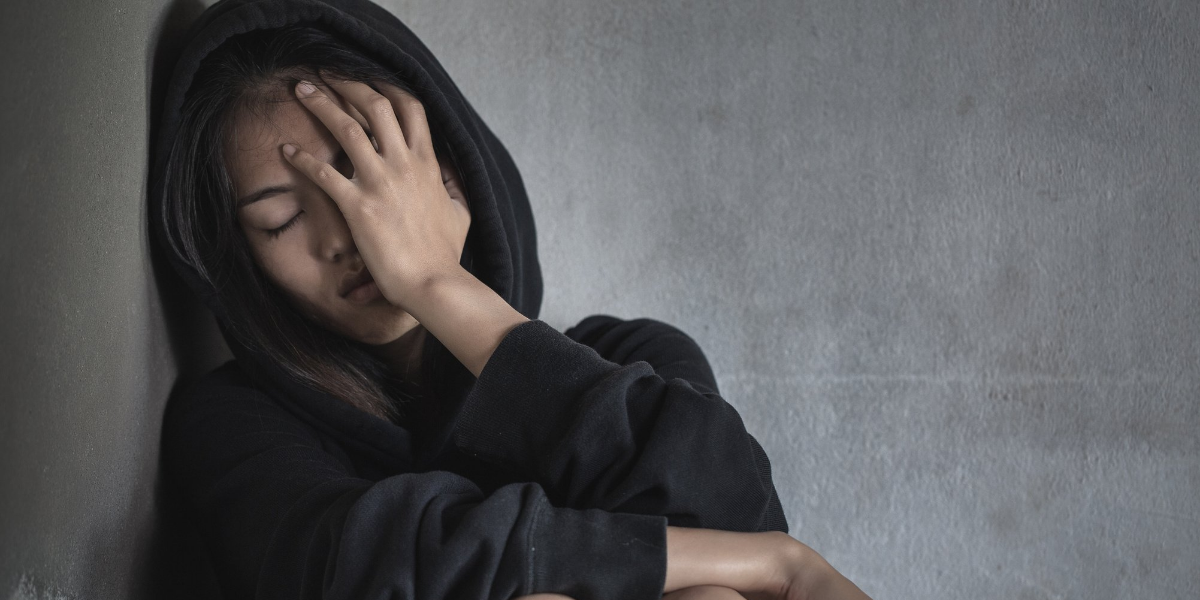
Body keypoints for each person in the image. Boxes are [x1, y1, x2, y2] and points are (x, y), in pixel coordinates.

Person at [149, 1, 874, 599]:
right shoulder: (233, 422)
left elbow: (732, 506)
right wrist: (770, 565)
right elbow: (364, 571)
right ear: (241, 261)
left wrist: (439, 284)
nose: (349, 232)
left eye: (371, 169)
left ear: (450, 159)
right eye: (282, 220)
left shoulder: (634, 358)